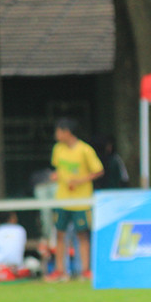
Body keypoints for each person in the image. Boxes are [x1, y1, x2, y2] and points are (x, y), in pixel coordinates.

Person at [47, 118, 104, 281]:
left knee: (82, 235)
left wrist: (79, 181)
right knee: (60, 234)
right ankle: (60, 270)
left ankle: (84, 270)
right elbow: (59, 169)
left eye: (58, 131)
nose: (56, 135)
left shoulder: (85, 150)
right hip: (62, 199)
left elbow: (98, 171)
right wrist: (56, 176)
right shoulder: (58, 149)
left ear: (67, 132)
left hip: (81, 200)